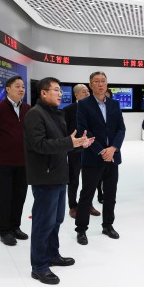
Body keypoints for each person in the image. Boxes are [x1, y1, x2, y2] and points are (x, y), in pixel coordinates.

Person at [24, 77, 94, 285]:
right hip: (45, 177)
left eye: (60, 90)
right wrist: (68, 142)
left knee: (56, 220)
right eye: (55, 90)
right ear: (43, 93)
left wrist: (79, 143)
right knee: (43, 223)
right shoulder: (35, 114)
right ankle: (39, 266)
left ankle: (52, 255)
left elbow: (63, 143)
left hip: (58, 175)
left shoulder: (56, 114)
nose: (60, 93)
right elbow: (39, 145)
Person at [75, 71, 126, 245]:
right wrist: (102, 151)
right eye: (96, 81)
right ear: (90, 85)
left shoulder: (114, 104)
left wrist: (113, 148)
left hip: (112, 157)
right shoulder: (84, 104)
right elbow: (84, 130)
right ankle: (81, 229)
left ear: (107, 83)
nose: (100, 84)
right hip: (93, 156)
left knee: (110, 194)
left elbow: (121, 129)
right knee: (87, 194)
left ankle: (108, 225)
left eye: (103, 81)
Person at [0, 75, 30, 246]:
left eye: (23, 86)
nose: (21, 89)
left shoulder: (28, 109)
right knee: (4, 197)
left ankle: (15, 226)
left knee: (19, 196)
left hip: (23, 162)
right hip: (3, 162)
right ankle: (4, 230)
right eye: (17, 86)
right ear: (8, 89)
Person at [63, 83, 101, 218]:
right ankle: (73, 206)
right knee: (73, 179)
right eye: (84, 92)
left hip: (91, 149)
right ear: (76, 95)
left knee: (90, 179)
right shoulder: (68, 110)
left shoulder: (94, 108)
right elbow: (65, 130)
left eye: (88, 92)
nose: (87, 94)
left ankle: (87, 204)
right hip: (75, 150)